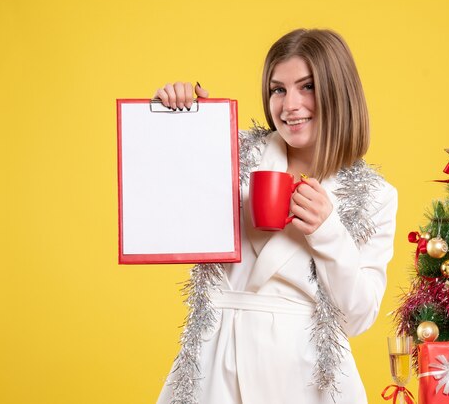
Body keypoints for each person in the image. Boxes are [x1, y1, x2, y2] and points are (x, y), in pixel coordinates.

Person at [155, 29, 398, 404]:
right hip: (215, 365)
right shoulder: (230, 153)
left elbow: (357, 318)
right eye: (278, 89)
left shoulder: (375, 195)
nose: (289, 106)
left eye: (307, 87)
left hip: (306, 377)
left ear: (338, 92)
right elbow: (163, 203)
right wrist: (184, 122)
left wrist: (327, 230)